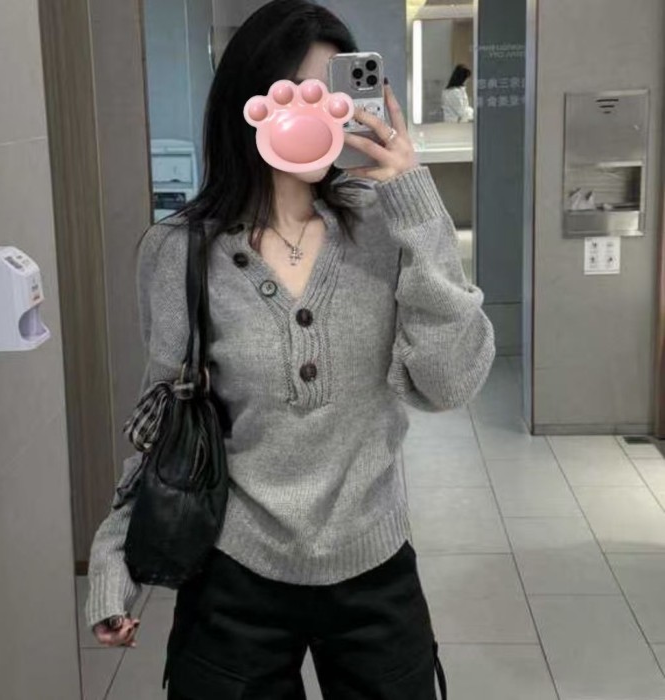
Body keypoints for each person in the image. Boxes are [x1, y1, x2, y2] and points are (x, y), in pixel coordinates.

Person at [85, 1, 495, 697]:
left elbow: (450, 382)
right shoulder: (180, 251)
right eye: (294, 93)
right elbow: (162, 424)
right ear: (249, 104)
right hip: (234, 571)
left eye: (332, 94)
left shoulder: (385, 227)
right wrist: (112, 564)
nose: (317, 114)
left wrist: (418, 205)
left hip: (372, 566)